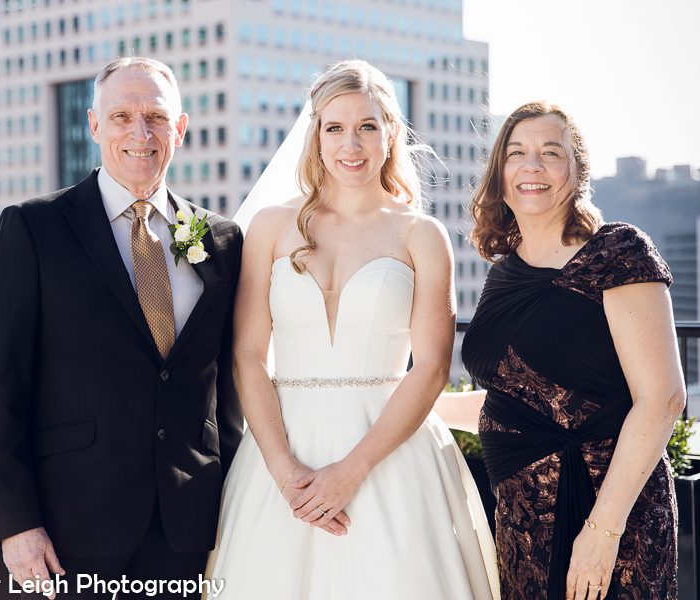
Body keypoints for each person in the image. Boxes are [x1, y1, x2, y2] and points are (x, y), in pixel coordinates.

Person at [206, 59, 500, 599]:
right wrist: (284, 473)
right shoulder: (271, 227)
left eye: (367, 126)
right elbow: (248, 354)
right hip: (281, 450)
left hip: (391, 452)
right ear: (315, 137)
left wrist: (351, 471)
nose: (352, 144)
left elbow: (432, 367)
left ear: (390, 133)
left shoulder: (422, 236)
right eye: (335, 127)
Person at [0, 57, 243, 598]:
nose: (140, 133)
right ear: (94, 125)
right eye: (121, 116)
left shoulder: (223, 241)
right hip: (72, 526)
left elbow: (230, 388)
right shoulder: (33, 229)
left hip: (192, 524)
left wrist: (240, 503)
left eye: (156, 117)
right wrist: (14, 524)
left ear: (180, 129)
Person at [437, 101, 685, 599]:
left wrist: (602, 532)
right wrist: (396, 404)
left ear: (577, 172)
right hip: (524, 519)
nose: (532, 166)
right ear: (500, 173)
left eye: (551, 152)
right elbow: (517, 405)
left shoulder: (617, 252)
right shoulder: (502, 273)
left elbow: (662, 400)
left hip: (612, 516)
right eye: (517, 153)